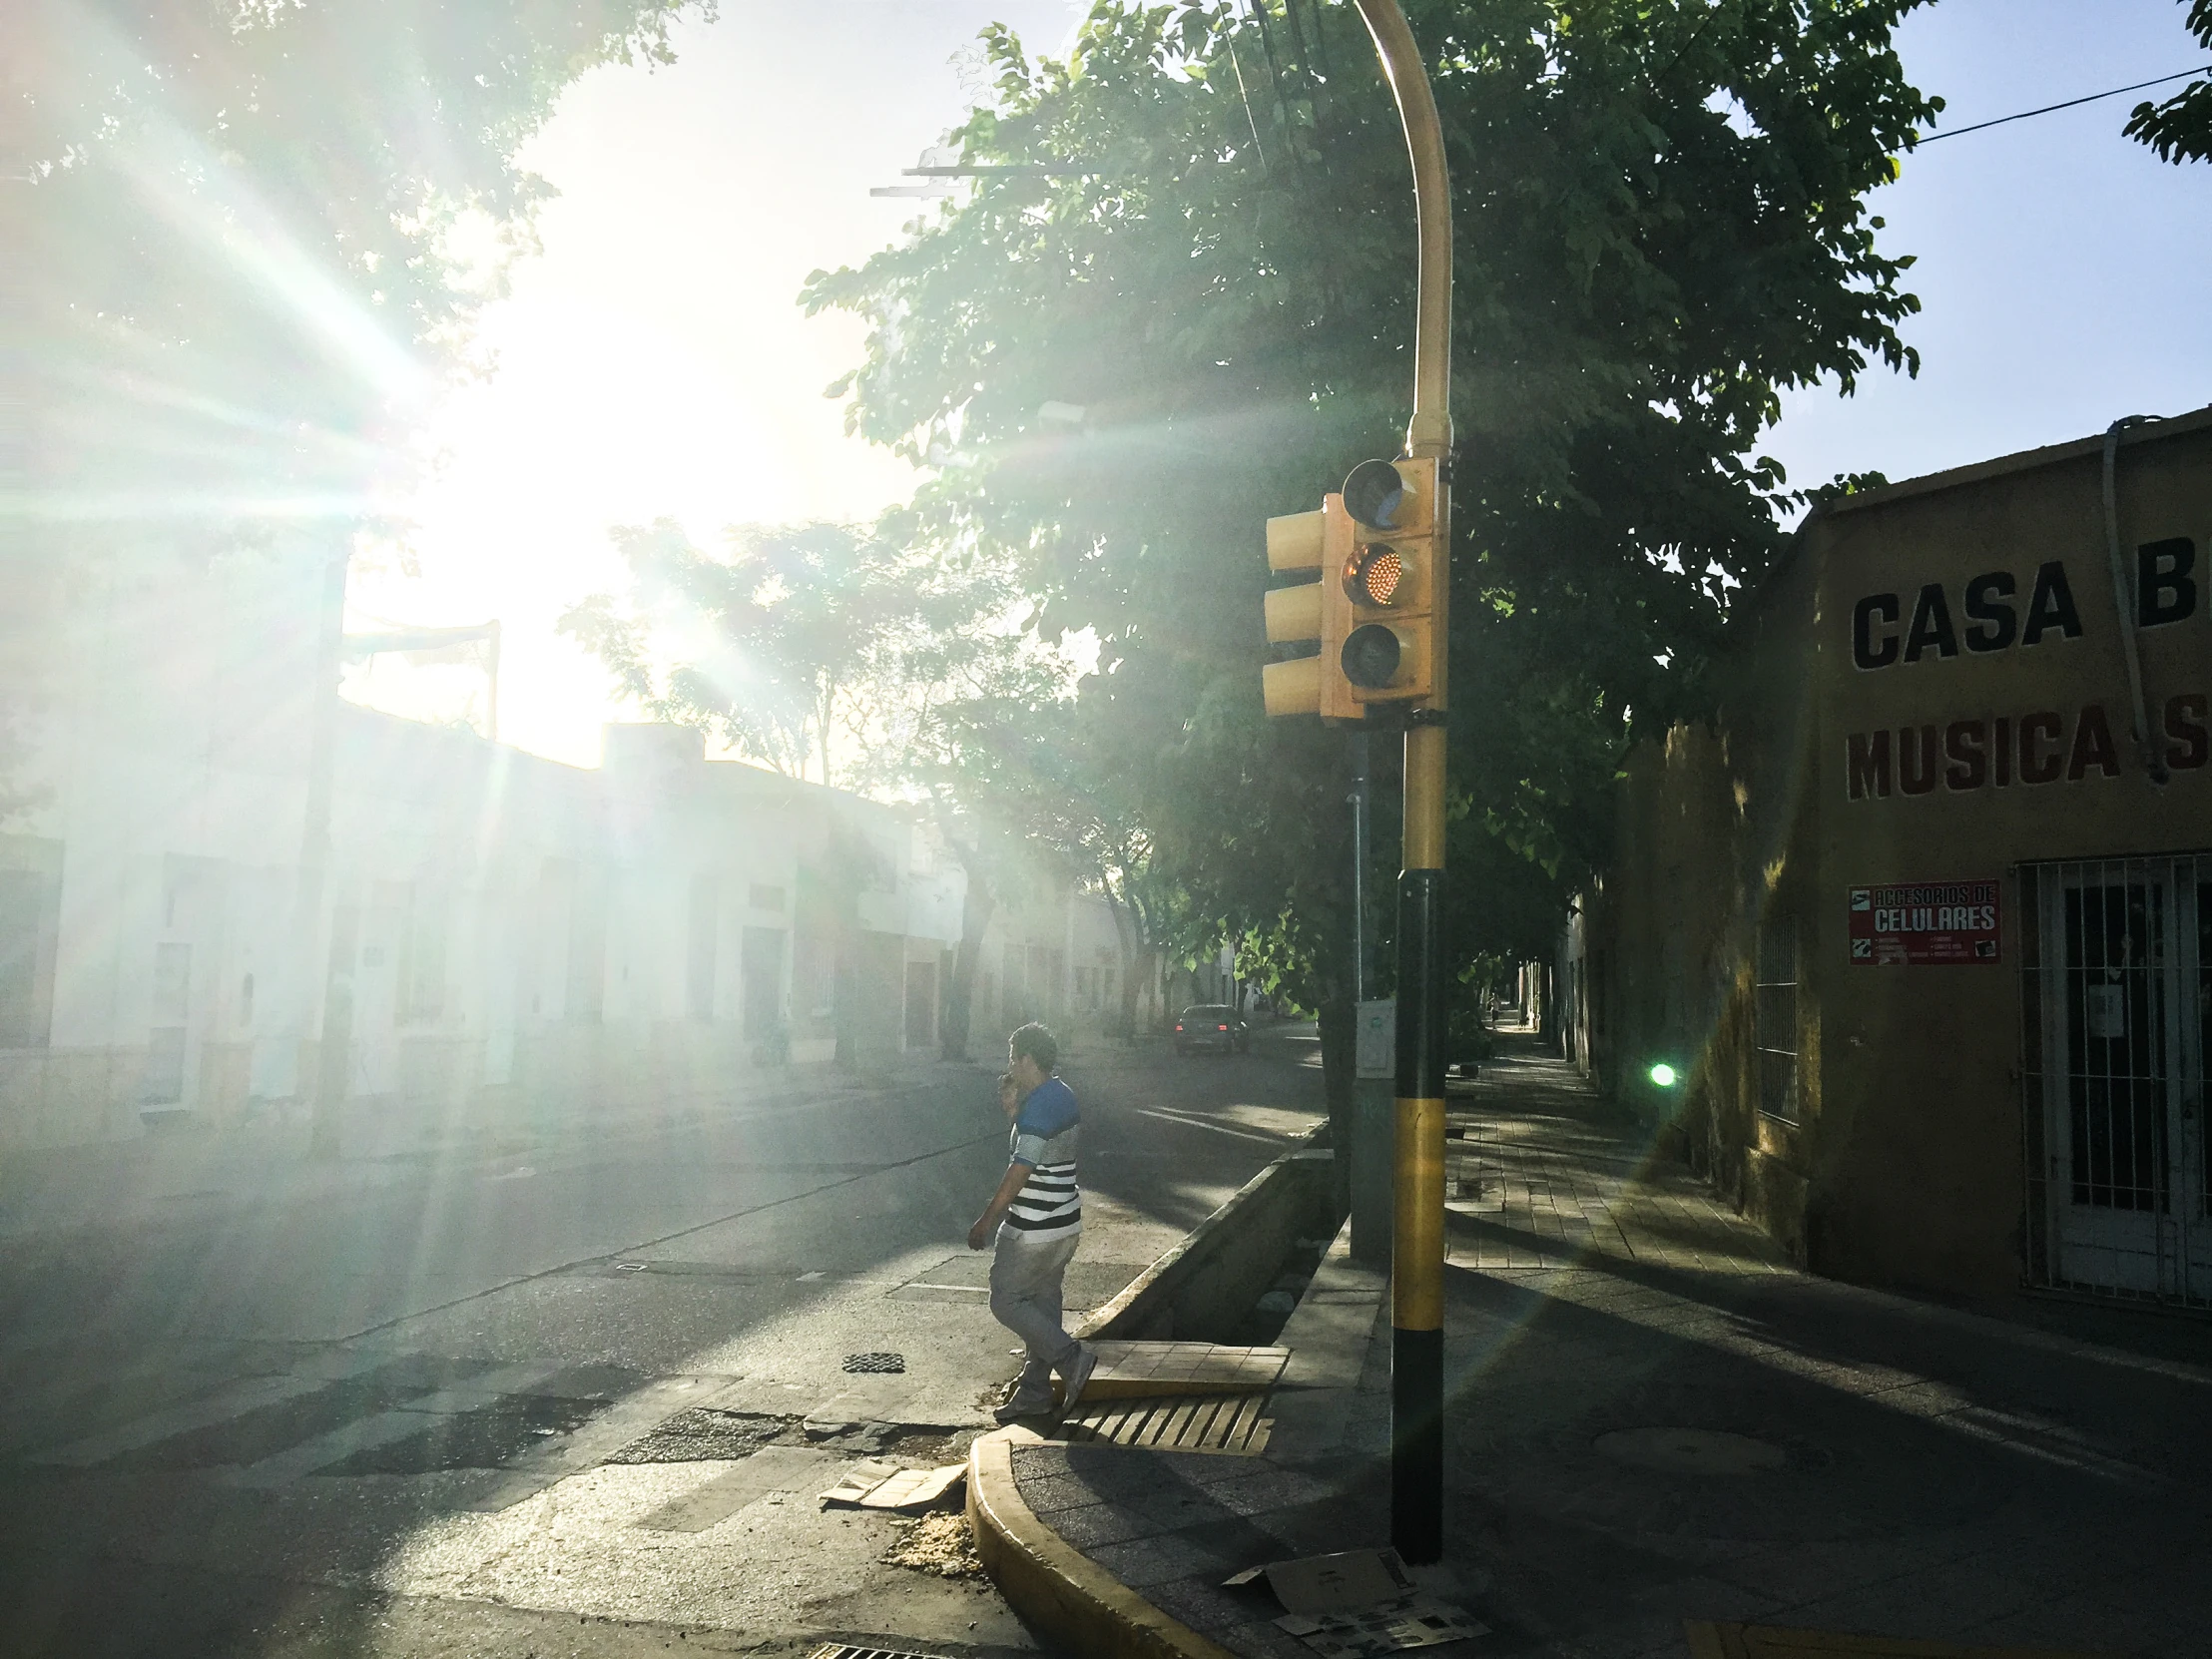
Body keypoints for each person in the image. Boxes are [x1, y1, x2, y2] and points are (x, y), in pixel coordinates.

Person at [968, 1022, 1096, 1421]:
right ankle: (1035, 1395)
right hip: (1065, 1223)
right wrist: (1015, 1114)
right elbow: (1042, 1149)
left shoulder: (1039, 1107)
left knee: (1005, 1299)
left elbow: (1021, 1168)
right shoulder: (1061, 1095)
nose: (1010, 1066)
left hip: (1034, 1227)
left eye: (1013, 1058)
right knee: (1042, 1306)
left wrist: (986, 1221)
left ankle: (1071, 1359)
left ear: (1027, 1059)